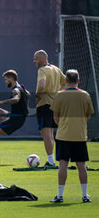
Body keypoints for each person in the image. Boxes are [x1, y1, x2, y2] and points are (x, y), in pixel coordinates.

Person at [49, 69, 94, 203]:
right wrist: (78, 124)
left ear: (66, 81)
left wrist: (64, 125)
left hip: (63, 135)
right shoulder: (85, 95)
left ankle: (60, 195)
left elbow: (55, 117)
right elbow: (88, 115)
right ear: (78, 81)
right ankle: (85, 196)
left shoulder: (59, 95)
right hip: (80, 136)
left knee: (63, 164)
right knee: (81, 165)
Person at [0, 70, 30, 164]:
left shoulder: (16, 90)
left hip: (15, 120)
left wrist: (1, 102)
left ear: (11, 79)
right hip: (13, 116)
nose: (5, 82)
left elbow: (15, 99)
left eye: (6, 80)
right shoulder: (22, 87)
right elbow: (28, 94)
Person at [34, 50, 66, 168]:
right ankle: (51, 160)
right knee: (51, 133)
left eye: (36, 58)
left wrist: (37, 97)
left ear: (42, 59)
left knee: (46, 133)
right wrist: (58, 94)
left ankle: (50, 161)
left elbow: (41, 86)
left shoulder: (42, 70)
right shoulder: (56, 69)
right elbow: (66, 82)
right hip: (55, 105)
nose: (34, 61)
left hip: (45, 104)